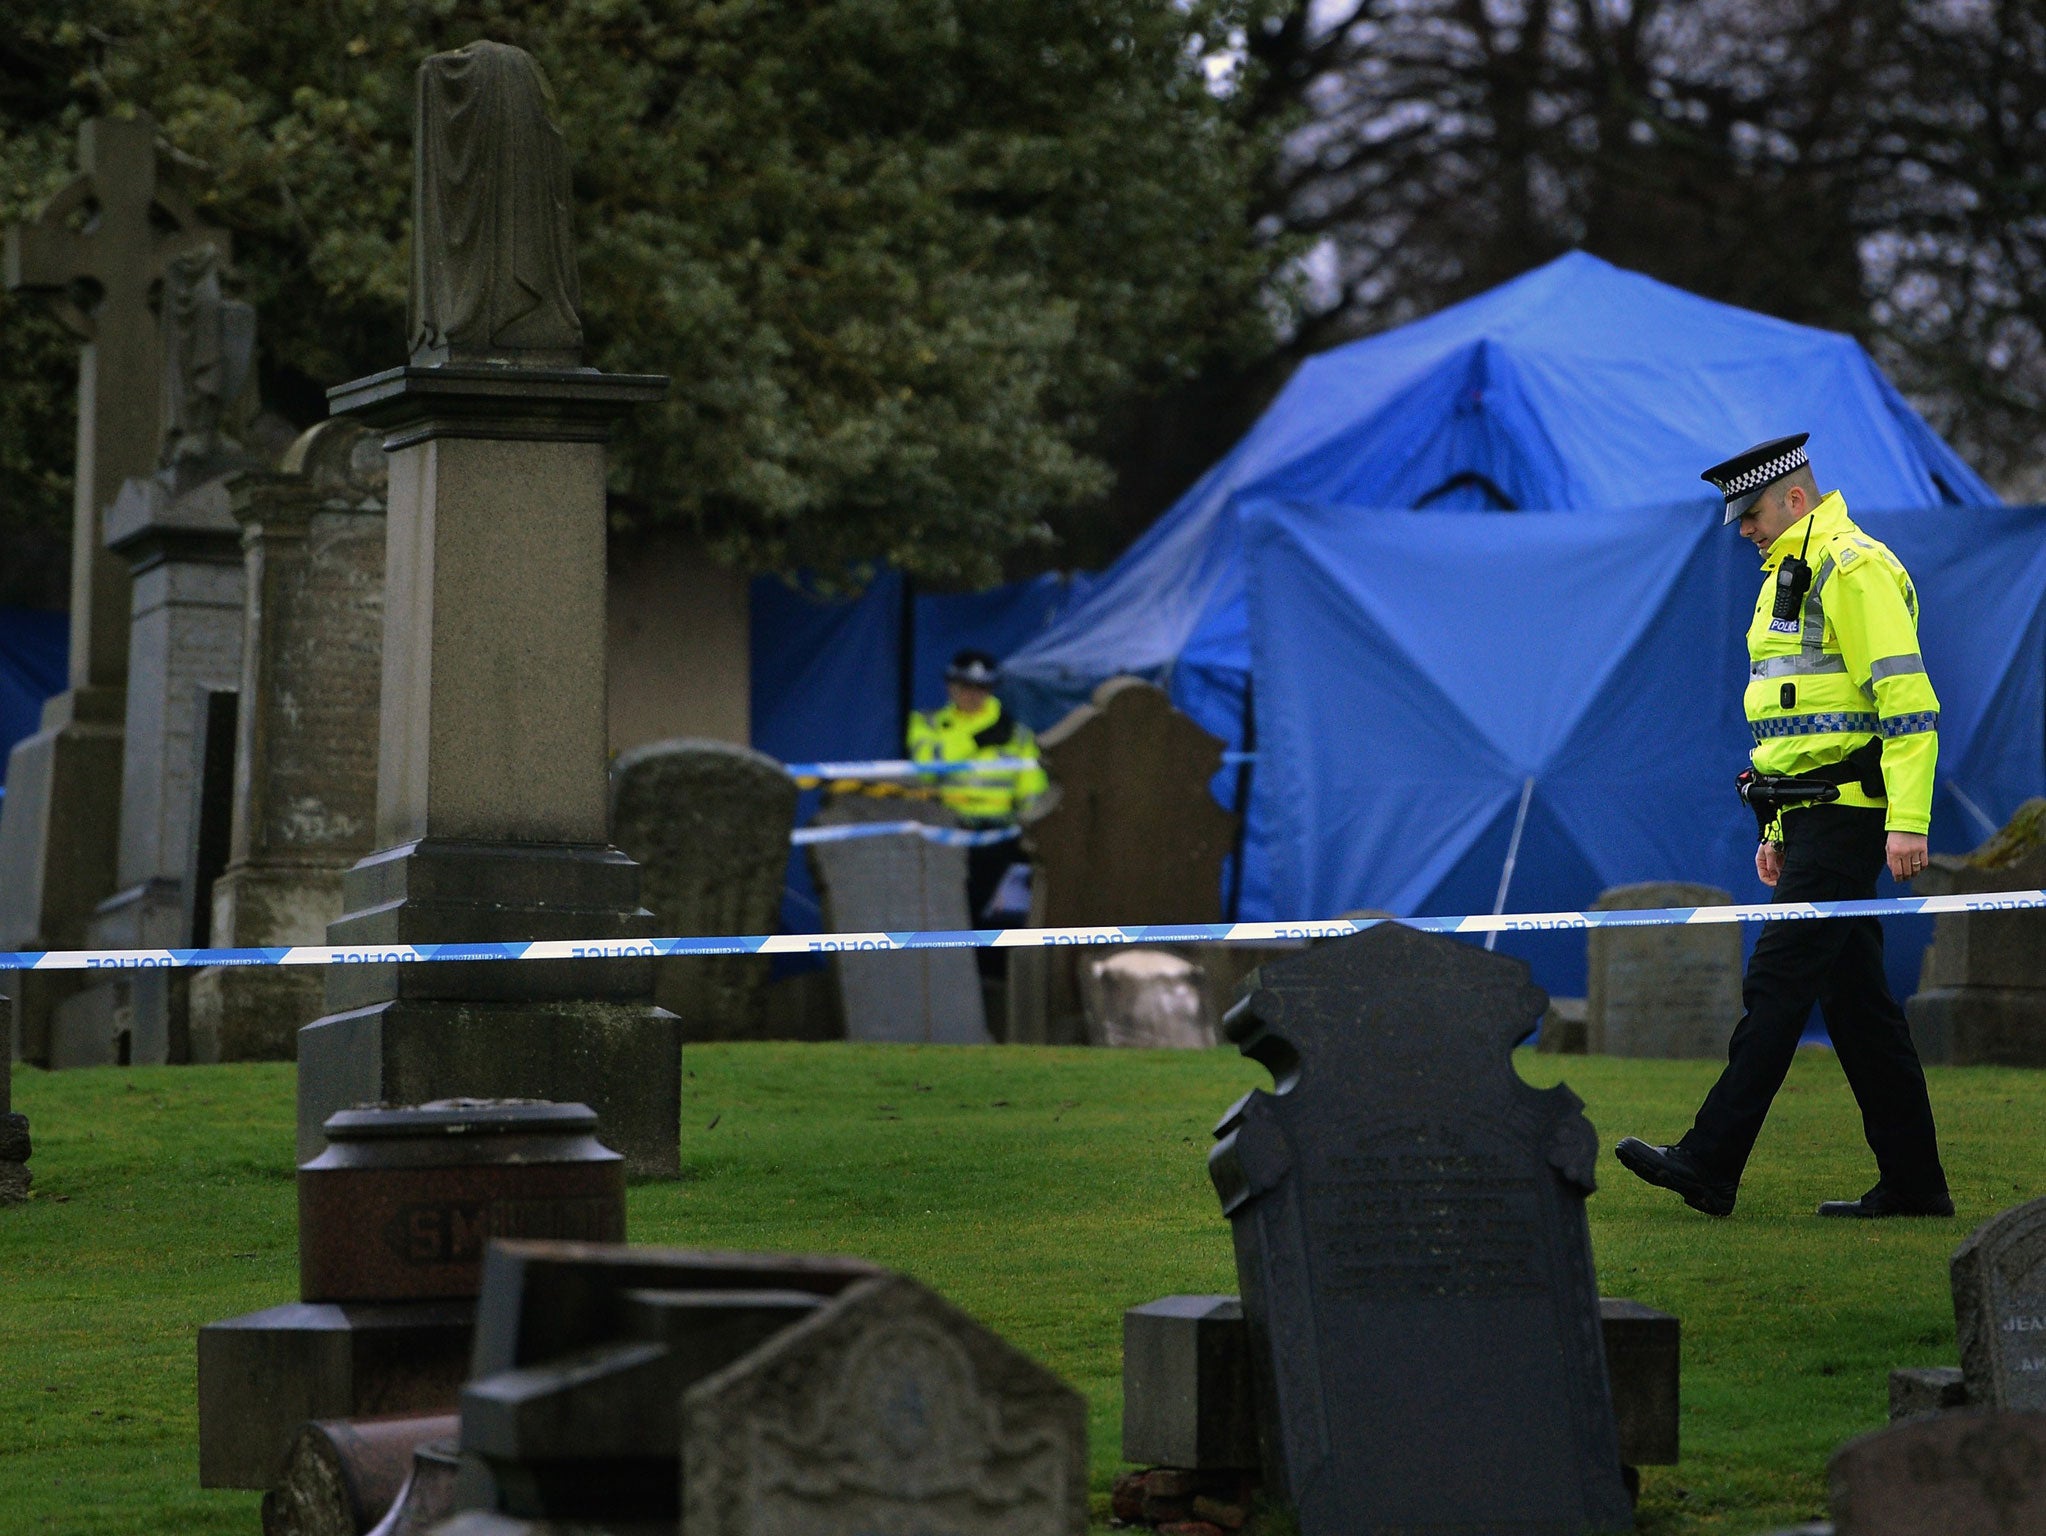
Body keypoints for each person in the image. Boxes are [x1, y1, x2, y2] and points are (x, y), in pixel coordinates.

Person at [1616, 434, 1952, 1220]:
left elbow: (1906, 700)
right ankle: (1915, 1185)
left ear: (1793, 499)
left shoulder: (1852, 565)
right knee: (1858, 1005)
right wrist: (1774, 827)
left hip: (1851, 817)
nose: (1744, 529)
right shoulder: (1785, 577)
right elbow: (1796, 726)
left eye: (1753, 513)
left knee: (1776, 981)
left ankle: (1709, 1161)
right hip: (1812, 818)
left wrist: (1907, 822)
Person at [906, 650, 1048, 924]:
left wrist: (1032, 834)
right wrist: (976, 739)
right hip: (945, 830)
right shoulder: (926, 723)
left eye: (981, 687)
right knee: (944, 911)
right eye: (965, 686)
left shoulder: (1017, 734)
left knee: (988, 912)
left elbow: (1031, 790)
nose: (972, 695)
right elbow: (926, 767)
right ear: (950, 686)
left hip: (1000, 837)